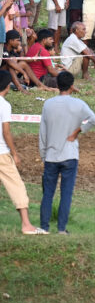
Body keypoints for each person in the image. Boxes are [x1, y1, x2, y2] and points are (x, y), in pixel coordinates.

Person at [38, 71, 95, 234]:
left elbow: (42, 133)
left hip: (51, 155)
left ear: (57, 85)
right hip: (70, 155)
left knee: (48, 193)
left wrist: (43, 155)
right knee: (66, 194)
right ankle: (62, 229)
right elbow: (94, 119)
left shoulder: (48, 104)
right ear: (72, 86)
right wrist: (78, 131)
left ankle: (44, 227)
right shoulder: (78, 104)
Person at [0, 69, 44, 234]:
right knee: (17, 187)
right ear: (7, 86)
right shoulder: (4, 105)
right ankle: (26, 225)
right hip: (2, 153)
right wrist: (15, 153)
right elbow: (6, 133)